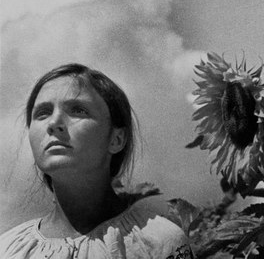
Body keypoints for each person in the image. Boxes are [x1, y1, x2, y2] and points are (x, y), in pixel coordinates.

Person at [0, 63, 194, 258]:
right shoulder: (8, 249)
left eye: (78, 110)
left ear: (116, 139)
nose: (54, 122)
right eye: (42, 113)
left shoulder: (158, 241)